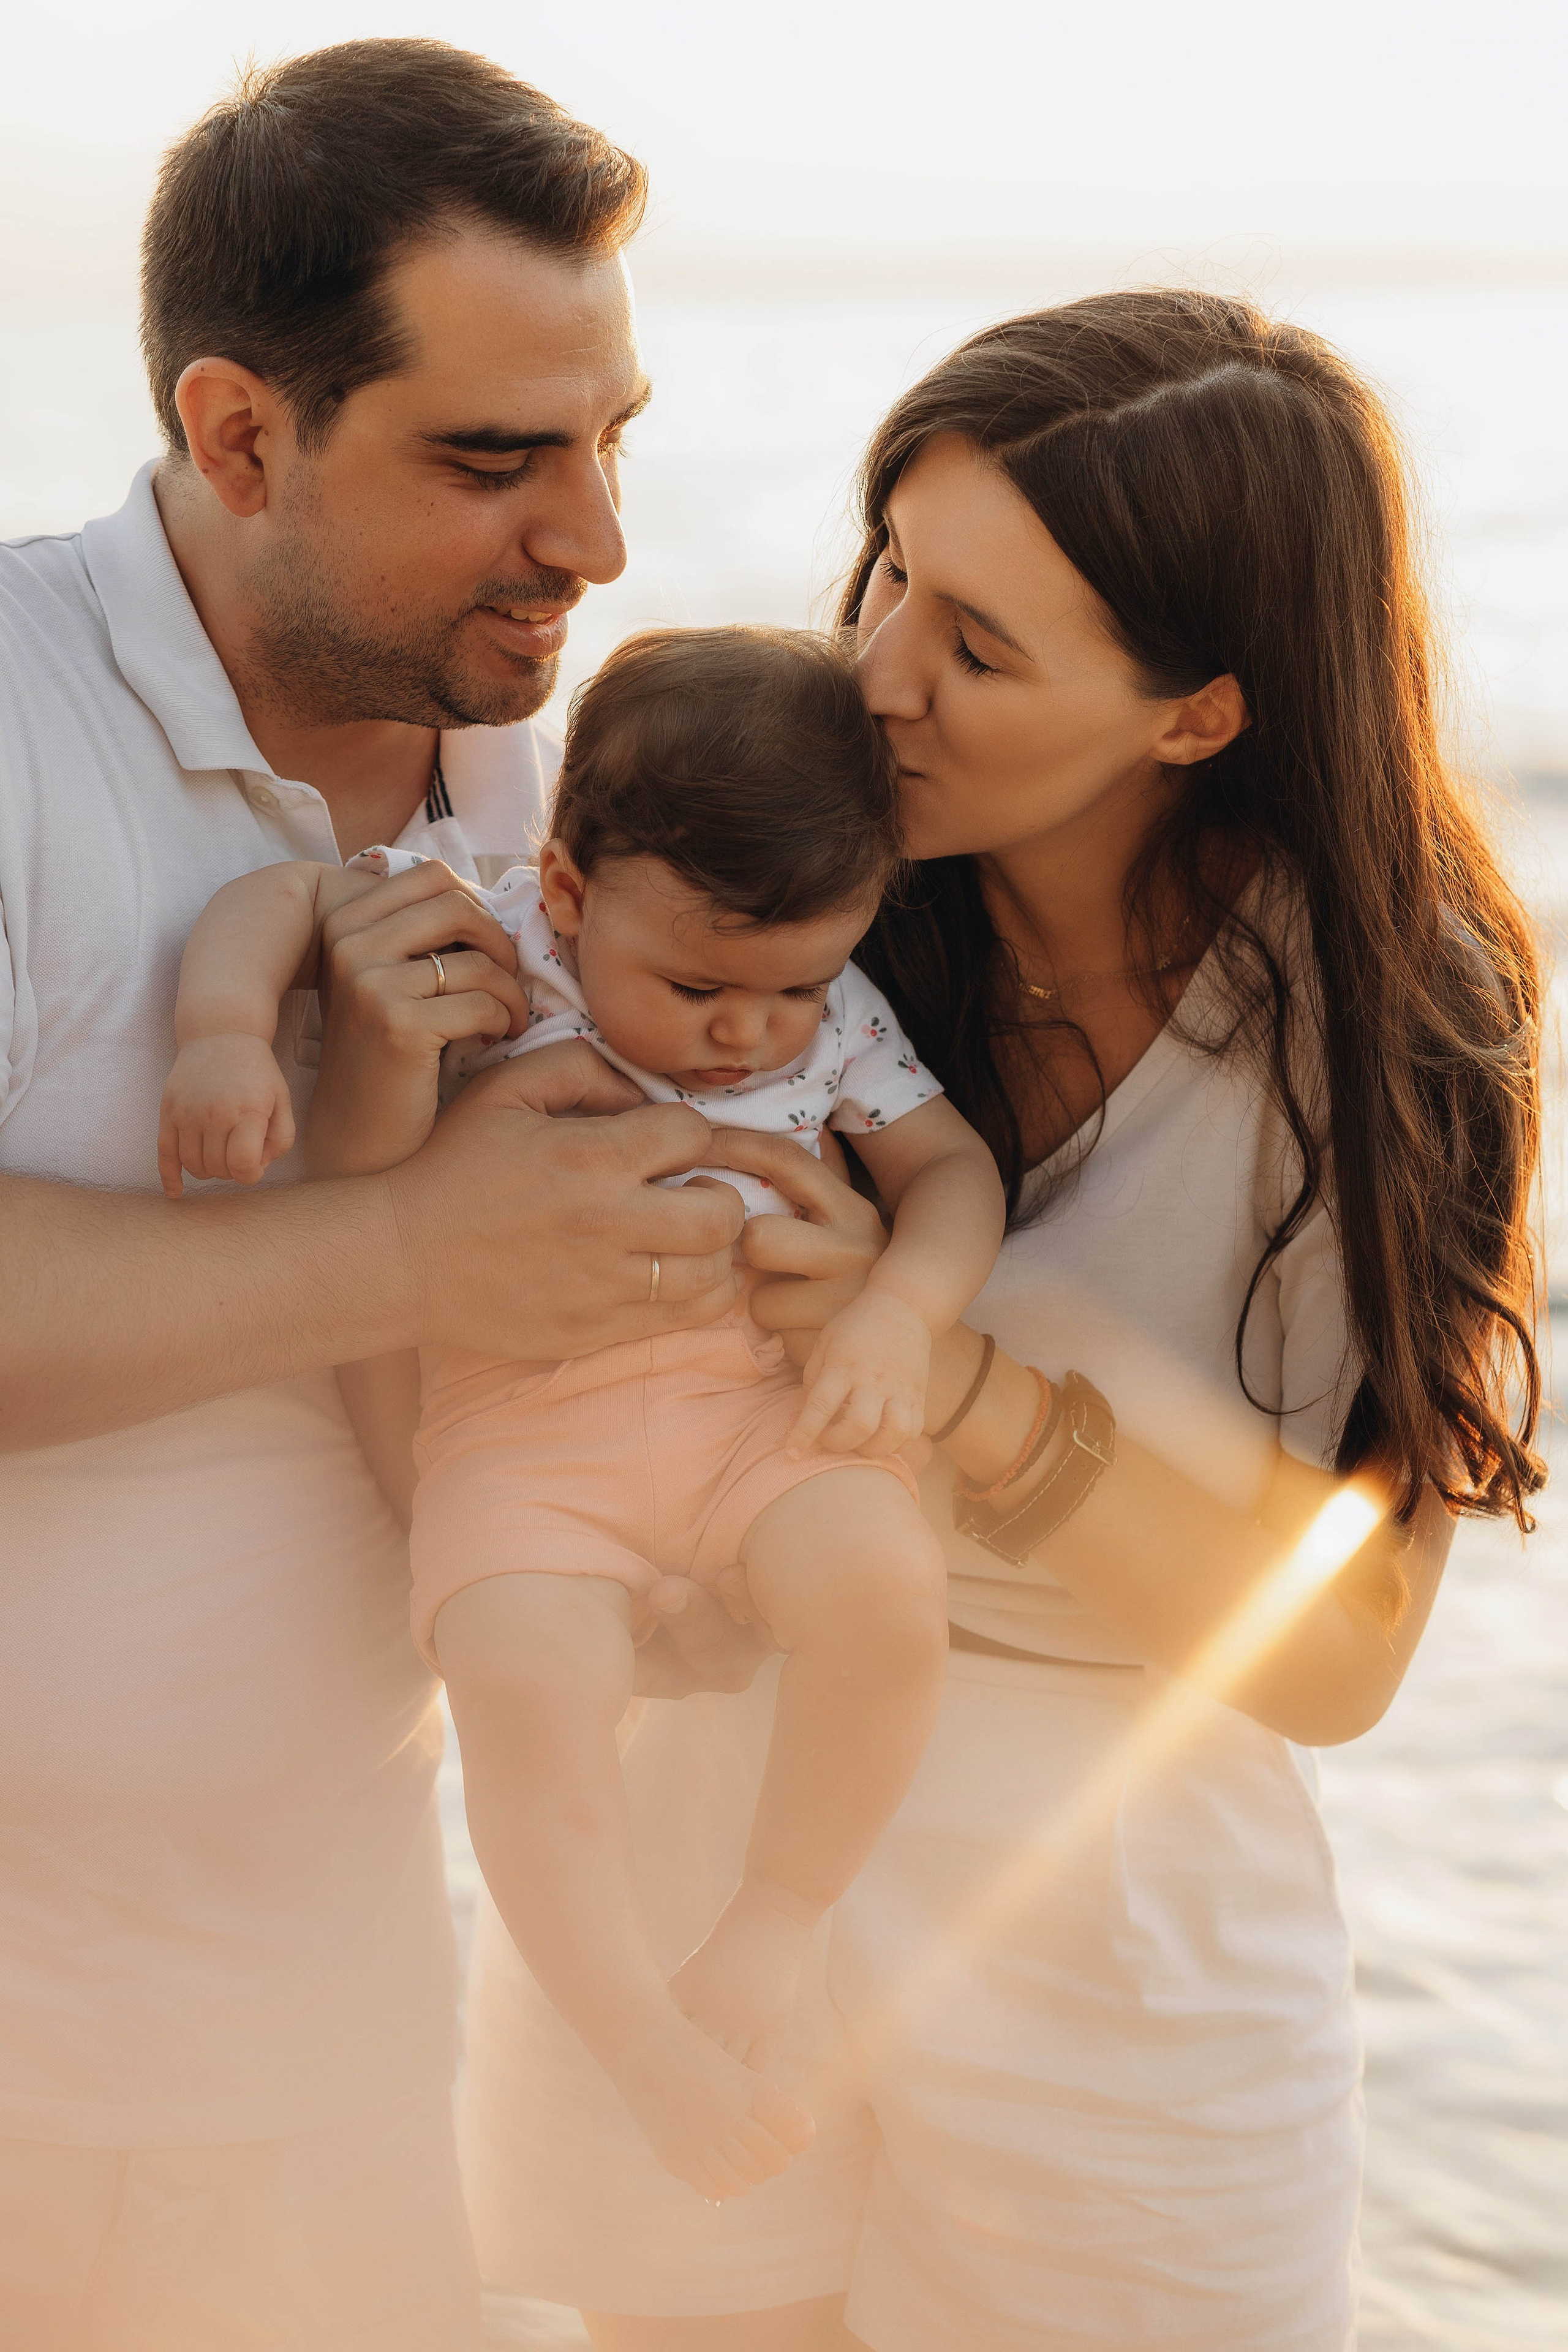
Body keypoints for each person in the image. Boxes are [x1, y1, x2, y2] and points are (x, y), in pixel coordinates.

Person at [447, 295, 1545, 2349]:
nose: (876, 679)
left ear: (1196, 714)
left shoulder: (1377, 1029)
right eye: (889, 572)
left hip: (1102, 1925)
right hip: (687, 1848)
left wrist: (952, 1381)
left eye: (978, 646)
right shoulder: (754, 899)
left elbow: (1337, 1660)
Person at [0, 41, 766, 2352]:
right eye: (497, 457)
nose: (598, 540)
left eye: (613, 435)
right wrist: (413, 1248)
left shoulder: (533, 744)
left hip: (342, 2001)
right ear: (240, 437)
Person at [157, 622, 1003, 2202]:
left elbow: (950, 1173)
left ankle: (778, 1915)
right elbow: (279, 899)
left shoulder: (841, 1015)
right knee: (526, 1700)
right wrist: (222, 1033)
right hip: (520, 1433)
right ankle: (640, 2046)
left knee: (885, 1595)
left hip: (752, 1407)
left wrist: (899, 1311)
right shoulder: (499, 947)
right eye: (697, 984)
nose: (752, 1033)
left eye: (793, 987)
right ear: (568, 892)